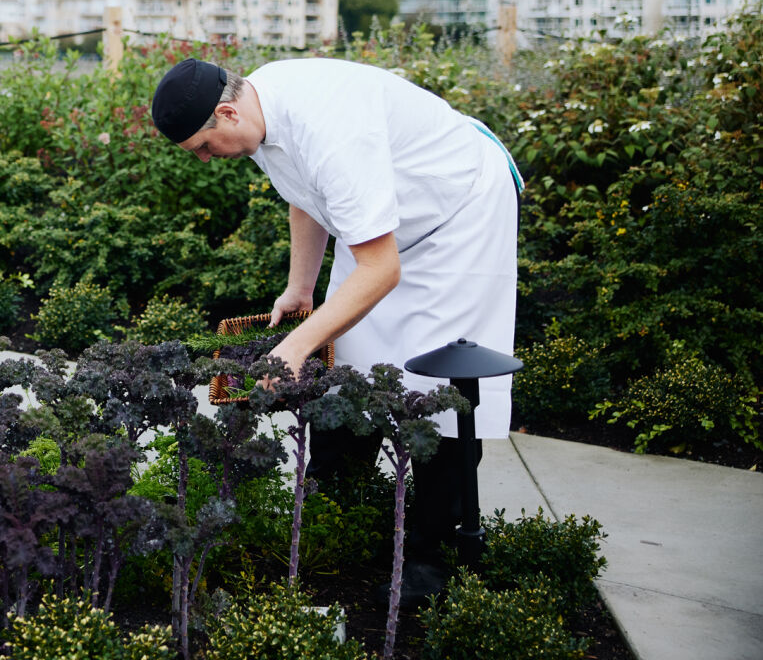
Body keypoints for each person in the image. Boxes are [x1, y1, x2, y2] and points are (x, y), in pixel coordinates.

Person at [151, 55, 522, 597]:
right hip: (380, 227)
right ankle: (337, 521)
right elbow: (309, 199)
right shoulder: (258, 114)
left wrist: (296, 346)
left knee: (441, 389)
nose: (207, 160)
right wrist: (300, 290)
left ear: (226, 113)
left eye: (203, 148)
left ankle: (432, 558)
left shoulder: (329, 126)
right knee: (347, 360)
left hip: (456, 215)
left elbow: (381, 269)